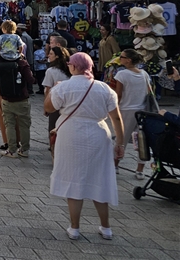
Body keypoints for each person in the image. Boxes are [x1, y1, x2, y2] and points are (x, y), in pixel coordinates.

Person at [44, 52, 126, 241]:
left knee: (74, 179)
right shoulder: (104, 88)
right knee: (100, 178)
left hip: (71, 134)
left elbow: (48, 108)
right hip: (98, 132)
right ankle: (106, 228)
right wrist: (119, 143)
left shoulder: (63, 87)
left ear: (73, 67)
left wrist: (52, 90)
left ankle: (75, 227)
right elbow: (116, 117)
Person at [0, 36, 35, 158]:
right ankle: (24, 149)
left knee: (9, 124)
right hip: (22, 98)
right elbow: (31, 80)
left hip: (6, 99)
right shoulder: (22, 63)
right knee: (24, 125)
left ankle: (11, 150)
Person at [112, 49, 152, 179]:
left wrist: (113, 108)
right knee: (142, 140)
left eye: (122, 57)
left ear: (128, 60)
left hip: (126, 109)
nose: (120, 58)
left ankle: (115, 165)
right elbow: (149, 92)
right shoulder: (144, 74)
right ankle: (140, 169)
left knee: (121, 138)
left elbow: (118, 94)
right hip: (142, 110)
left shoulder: (122, 75)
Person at [42, 45, 72, 157]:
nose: (48, 56)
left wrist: (46, 106)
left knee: (53, 127)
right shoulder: (69, 69)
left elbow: (48, 90)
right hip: (69, 102)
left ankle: (54, 150)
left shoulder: (51, 71)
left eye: (51, 54)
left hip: (55, 102)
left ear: (57, 56)